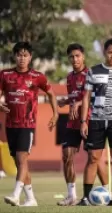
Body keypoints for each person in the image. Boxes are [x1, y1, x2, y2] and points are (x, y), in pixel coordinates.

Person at [1, 42, 58, 206]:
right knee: (20, 162)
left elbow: (51, 94)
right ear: (14, 56)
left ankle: (16, 194)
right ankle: (31, 199)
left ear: (30, 57)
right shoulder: (5, 75)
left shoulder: (37, 76)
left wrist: (55, 114)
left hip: (28, 124)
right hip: (10, 124)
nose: (22, 58)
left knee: (22, 158)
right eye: (19, 55)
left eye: (25, 55)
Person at [78, 38, 112, 206]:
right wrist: (83, 121)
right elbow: (86, 97)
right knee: (93, 157)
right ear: (105, 52)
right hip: (96, 120)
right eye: (110, 52)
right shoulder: (93, 71)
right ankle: (86, 198)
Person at [57, 43, 108, 206]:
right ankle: (71, 195)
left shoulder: (91, 74)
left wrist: (78, 104)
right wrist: (67, 100)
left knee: (95, 158)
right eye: (71, 56)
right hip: (72, 123)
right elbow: (75, 96)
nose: (75, 59)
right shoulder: (70, 77)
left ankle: (108, 192)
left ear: (83, 56)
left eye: (77, 56)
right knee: (66, 155)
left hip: (91, 120)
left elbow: (96, 96)